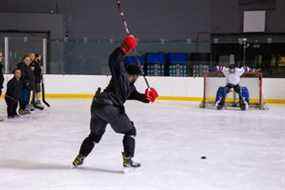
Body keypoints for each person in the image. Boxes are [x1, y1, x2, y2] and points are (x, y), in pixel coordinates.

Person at [72, 34, 159, 168]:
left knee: (94, 136)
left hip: (97, 106)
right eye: (136, 77)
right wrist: (124, 48)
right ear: (133, 75)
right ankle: (128, 159)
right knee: (131, 131)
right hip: (109, 107)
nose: (136, 79)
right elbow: (114, 60)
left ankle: (80, 158)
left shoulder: (129, 87)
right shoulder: (121, 75)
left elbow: (137, 96)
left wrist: (148, 97)